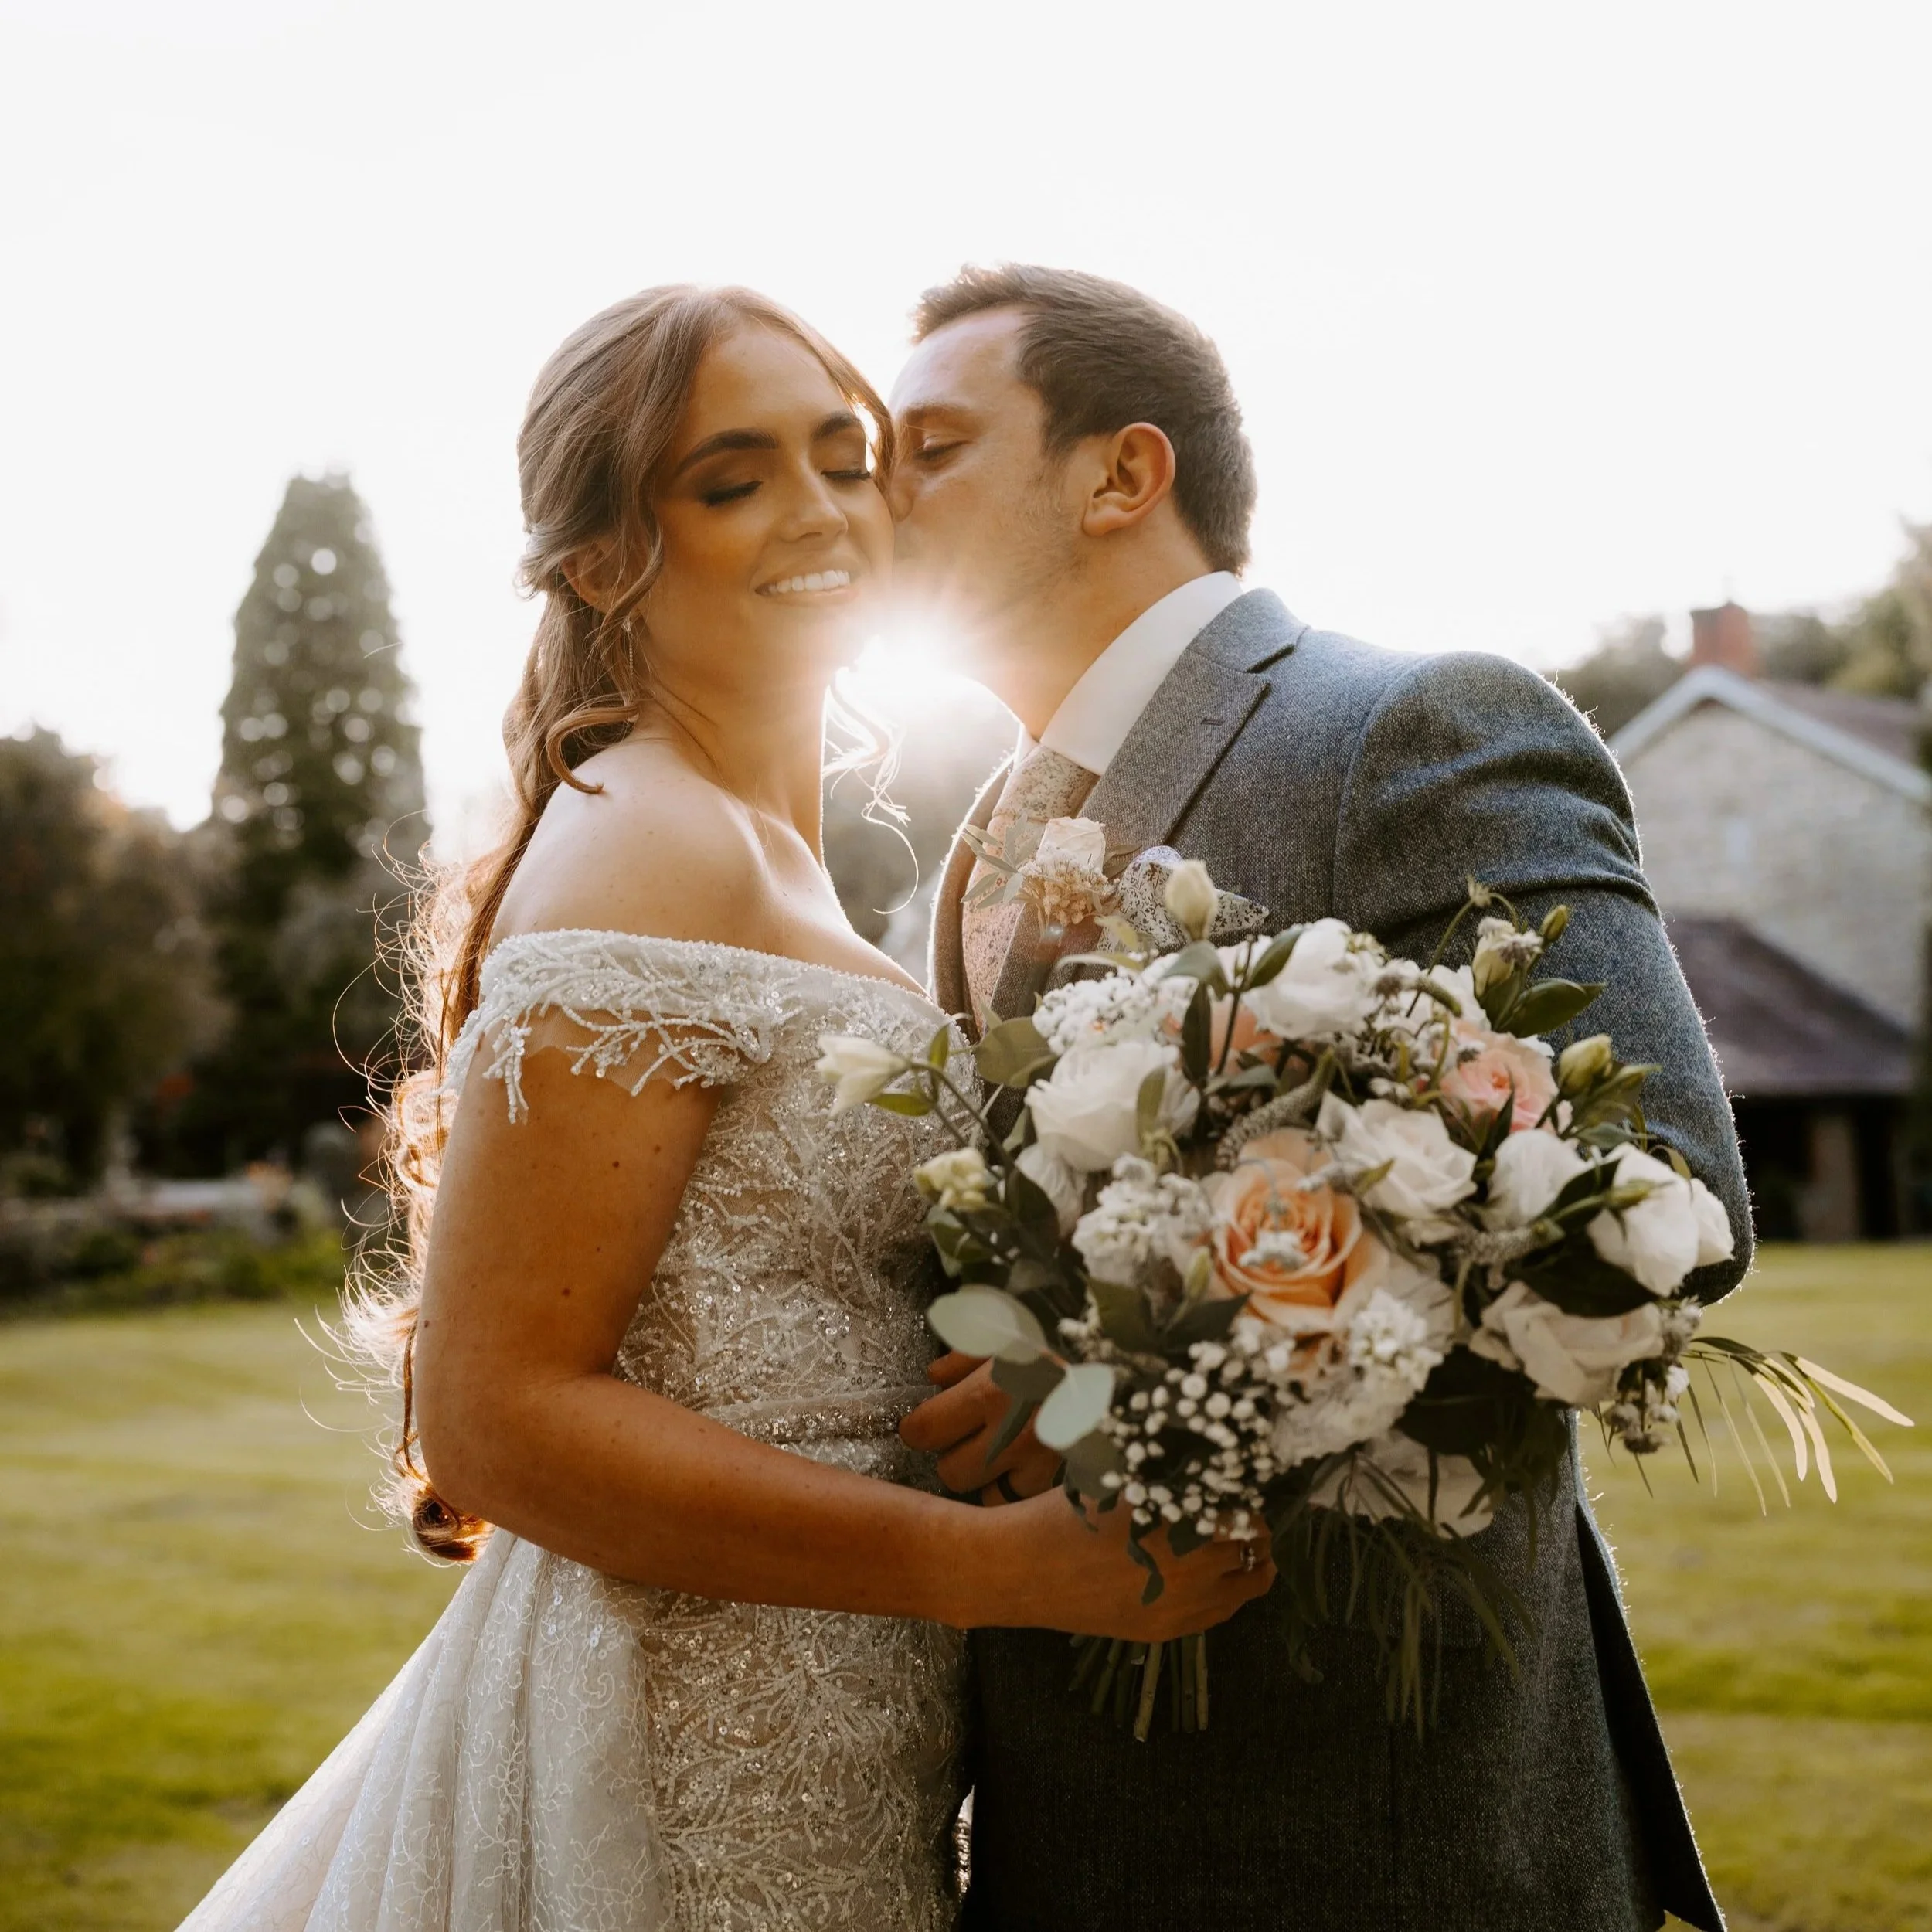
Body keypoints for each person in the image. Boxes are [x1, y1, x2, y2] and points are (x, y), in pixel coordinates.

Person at [177, 285, 1273, 1932]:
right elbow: (497, 1413)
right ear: (603, 555)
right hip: (682, 1732)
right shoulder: (649, 835)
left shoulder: (801, 859)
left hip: (836, 1706)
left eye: (848, 456)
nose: (826, 508)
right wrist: (999, 1567)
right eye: (732, 477)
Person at [893, 264, 1753, 1932]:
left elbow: (1661, 1189)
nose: (873, 490)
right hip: (1064, 1791)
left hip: (1371, 1795)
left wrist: (1103, 1377)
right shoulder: (978, 840)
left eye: (929, 443)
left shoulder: (1411, 726)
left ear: (1119, 473)